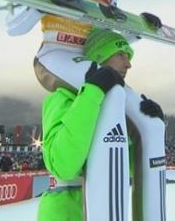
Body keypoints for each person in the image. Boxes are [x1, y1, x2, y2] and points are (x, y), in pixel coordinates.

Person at [7, 0, 166, 221]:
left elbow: (109, 33)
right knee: (110, 93)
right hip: (55, 54)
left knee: (148, 122)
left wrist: (140, 29)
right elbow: (14, 22)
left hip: (89, 58)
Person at [38, 29, 164, 220]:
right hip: (66, 212)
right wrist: (92, 93)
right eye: (121, 54)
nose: (128, 64)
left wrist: (152, 129)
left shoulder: (116, 106)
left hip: (106, 206)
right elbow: (63, 165)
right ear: (99, 55)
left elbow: (130, 167)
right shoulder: (61, 97)